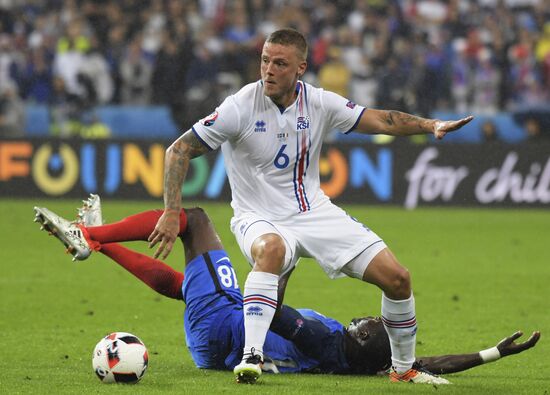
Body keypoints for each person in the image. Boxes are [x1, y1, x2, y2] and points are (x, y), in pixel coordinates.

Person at [147, 28, 474, 384]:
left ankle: (403, 369)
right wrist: (169, 211)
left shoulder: (319, 102)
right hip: (258, 217)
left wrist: (431, 125)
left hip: (315, 213)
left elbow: (381, 119)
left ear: (301, 67)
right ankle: (251, 357)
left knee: (398, 279)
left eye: (280, 63)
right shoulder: (239, 106)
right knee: (270, 250)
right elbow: (178, 150)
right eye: (265, 60)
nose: (268, 70)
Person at [33, 196, 540, 382]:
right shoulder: (364, 362)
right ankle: (96, 247)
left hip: (227, 331)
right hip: (220, 334)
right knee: (191, 284)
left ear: (362, 339)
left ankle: (90, 237)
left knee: (195, 221)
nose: (368, 318)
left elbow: (274, 312)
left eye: (371, 325)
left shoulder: (326, 342)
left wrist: (282, 258)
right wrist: (492, 352)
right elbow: (423, 364)